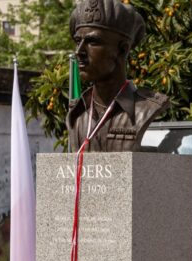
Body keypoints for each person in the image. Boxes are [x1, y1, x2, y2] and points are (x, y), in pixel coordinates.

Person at [67, 0, 170, 153]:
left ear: (122, 50)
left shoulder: (146, 108)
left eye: (93, 42)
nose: (79, 52)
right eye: (78, 41)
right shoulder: (77, 114)